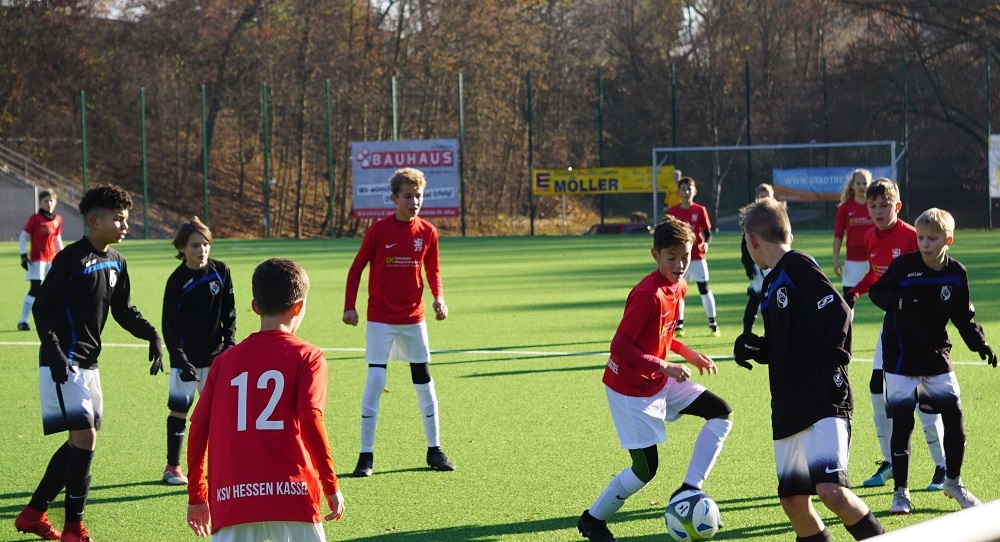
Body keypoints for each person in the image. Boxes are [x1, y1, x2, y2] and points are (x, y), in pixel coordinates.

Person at [14, 184, 164, 542]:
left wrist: (151, 334)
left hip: (90, 364)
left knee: (78, 443)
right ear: (95, 222)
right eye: (118, 219)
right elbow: (42, 308)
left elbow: (123, 310)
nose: (125, 225)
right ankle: (73, 528)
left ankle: (33, 514)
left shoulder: (117, 261)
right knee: (85, 438)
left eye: (126, 219)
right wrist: (53, 352)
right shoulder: (71, 259)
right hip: (64, 360)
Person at [734, 198, 884, 542]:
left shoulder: (797, 264)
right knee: (793, 501)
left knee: (832, 491)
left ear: (752, 239)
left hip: (821, 397)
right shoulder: (772, 282)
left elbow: (838, 312)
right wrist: (758, 348)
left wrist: (834, 368)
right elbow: (788, 343)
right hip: (788, 403)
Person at [578, 215, 732, 542]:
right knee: (646, 469)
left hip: (658, 378)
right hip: (630, 389)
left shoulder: (680, 286)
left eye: (685, 257)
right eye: (671, 257)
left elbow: (663, 334)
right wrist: (665, 366)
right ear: (656, 255)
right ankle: (592, 520)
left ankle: (689, 490)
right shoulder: (647, 294)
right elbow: (620, 345)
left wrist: (689, 355)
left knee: (720, 412)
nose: (679, 265)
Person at [186, 258, 345, 540]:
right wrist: (330, 484)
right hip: (293, 492)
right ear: (299, 306)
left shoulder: (224, 361)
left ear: (255, 306)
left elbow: (198, 429)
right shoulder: (308, 356)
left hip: (233, 497)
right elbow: (310, 417)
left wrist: (198, 494)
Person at [868, 208, 995, 514]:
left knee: (954, 418)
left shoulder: (956, 272)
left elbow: (963, 317)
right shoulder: (904, 266)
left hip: (935, 355)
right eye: (921, 237)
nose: (925, 243)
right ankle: (901, 492)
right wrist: (897, 301)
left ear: (948, 240)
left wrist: (980, 343)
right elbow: (877, 291)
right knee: (903, 422)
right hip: (900, 355)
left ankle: (953, 483)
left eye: (932, 238)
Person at [342, 167, 455, 477]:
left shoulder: (428, 232)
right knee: (376, 380)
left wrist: (439, 298)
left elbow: (433, 271)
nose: (414, 202)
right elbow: (356, 268)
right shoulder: (378, 231)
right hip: (381, 317)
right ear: (394, 198)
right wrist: (349, 307)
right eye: (408, 196)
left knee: (424, 381)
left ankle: (434, 450)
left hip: (414, 318)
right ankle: (365, 456)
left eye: (418, 196)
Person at [848, 178, 946, 491]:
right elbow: (876, 273)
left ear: (898, 206)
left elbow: (932, 272)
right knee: (877, 388)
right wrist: (856, 291)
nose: (878, 211)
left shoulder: (911, 236)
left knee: (924, 395)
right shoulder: (868, 236)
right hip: (892, 324)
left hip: (920, 329)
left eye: (885, 205)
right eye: (873, 205)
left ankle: (943, 466)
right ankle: (890, 460)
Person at [161, 217, 236, 486]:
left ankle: (220, 467)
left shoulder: (221, 271)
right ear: (182, 248)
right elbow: (169, 326)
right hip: (187, 360)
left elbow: (229, 312)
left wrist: (229, 345)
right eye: (195, 245)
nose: (202, 250)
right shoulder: (176, 281)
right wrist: (179, 358)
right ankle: (172, 467)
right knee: (180, 410)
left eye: (205, 244)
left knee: (218, 414)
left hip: (215, 358)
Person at [666, 176, 719, 337]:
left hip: (697, 257)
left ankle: (713, 324)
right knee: (677, 291)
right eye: (683, 189)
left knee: (704, 289)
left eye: (689, 189)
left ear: (695, 191)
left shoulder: (700, 210)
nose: (686, 192)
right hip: (679, 259)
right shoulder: (672, 212)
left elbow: (708, 233)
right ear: (678, 192)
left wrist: (706, 244)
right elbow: (667, 234)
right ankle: (678, 326)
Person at [18, 189, 64, 331]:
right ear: (40, 202)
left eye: (51, 201)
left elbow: (57, 239)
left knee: (53, 290)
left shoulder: (57, 219)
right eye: (45, 201)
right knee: (35, 289)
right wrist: (23, 255)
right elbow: (23, 236)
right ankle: (23, 321)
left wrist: (63, 256)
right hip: (37, 260)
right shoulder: (36, 218)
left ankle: (53, 321)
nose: (49, 204)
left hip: (52, 260)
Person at [832, 169, 873, 313]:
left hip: (875, 258)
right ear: (853, 185)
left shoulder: (875, 206)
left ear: (870, 185)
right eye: (858, 183)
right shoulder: (845, 208)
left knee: (888, 295)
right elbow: (838, 235)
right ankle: (846, 327)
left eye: (865, 183)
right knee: (848, 301)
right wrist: (835, 259)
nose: (862, 187)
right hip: (853, 260)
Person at [740, 183, 777, 333]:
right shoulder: (752, 218)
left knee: (770, 299)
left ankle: (771, 333)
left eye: (768, 196)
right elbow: (745, 244)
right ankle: (747, 333)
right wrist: (748, 265)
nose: (765, 199)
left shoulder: (777, 217)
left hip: (773, 264)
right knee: (759, 299)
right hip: (759, 266)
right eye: (762, 197)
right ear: (756, 199)